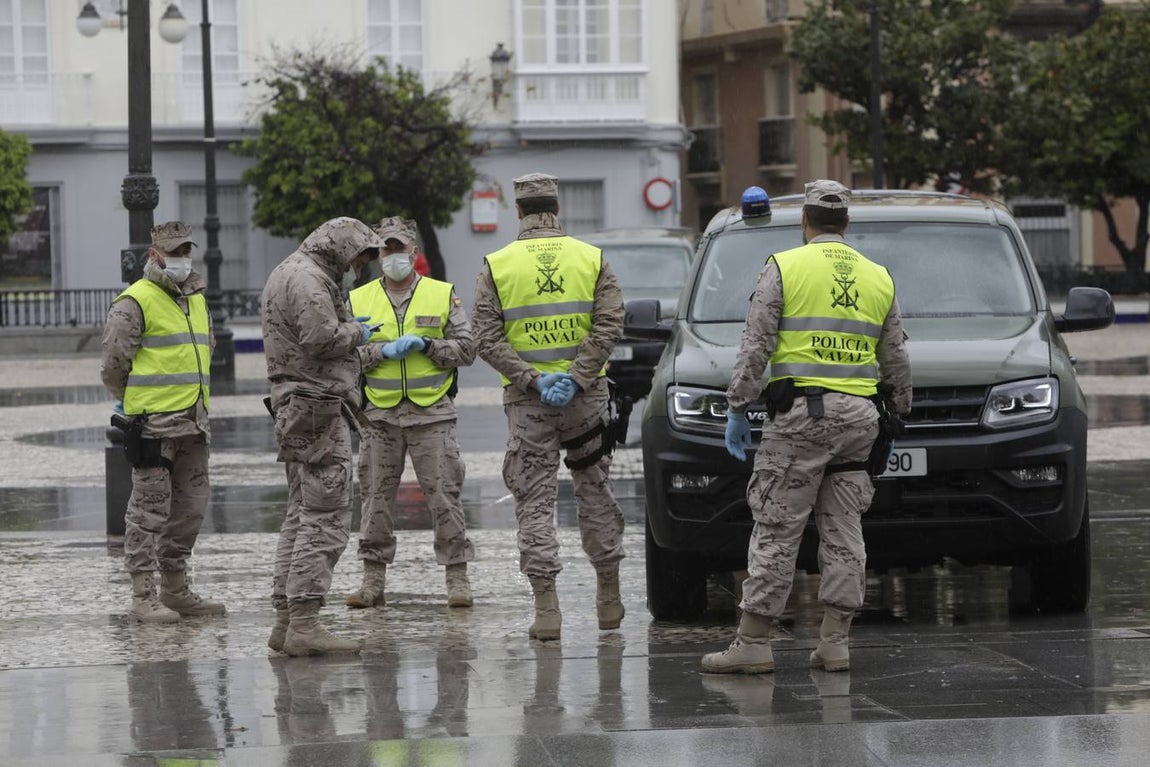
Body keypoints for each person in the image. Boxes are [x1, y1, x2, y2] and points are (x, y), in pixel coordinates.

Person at [702, 180, 912, 674]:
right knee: (843, 529)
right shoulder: (878, 276)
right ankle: (835, 642)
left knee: (778, 526)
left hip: (800, 421)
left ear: (804, 221)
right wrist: (898, 413)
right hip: (860, 421)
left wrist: (737, 407)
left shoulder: (784, 266)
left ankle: (753, 644)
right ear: (846, 224)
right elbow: (897, 356)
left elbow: (755, 345)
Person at [472, 172, 626, 641]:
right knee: (595, 492)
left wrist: (533, 379)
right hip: (586, 401)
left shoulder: (497, 265)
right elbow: (610, 322)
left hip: (528, 404)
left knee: (534, 502)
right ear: (557, 209)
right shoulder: (591, 258)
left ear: (518, 211)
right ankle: (608, 599)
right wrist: (577, 378)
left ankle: (547, 611)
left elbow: (485, 336)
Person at [261, 216, 383, 656]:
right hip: (316, 409)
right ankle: (305, 623)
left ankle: (285, 622)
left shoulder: (288, 271)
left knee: (300, 514)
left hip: (299, 406)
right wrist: (358, 332)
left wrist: (363, 348)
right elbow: (320, 338)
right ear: (340, 249)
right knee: (325, 516)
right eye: (358, 258)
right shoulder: (310, 279)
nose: (359, 268)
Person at [345, 216, 477, 609]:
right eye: (385, 249)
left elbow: (468, 348)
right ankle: (372, 581)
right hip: (379, 417)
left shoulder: (441, 294)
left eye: (399, 248)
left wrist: (428, 346)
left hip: (432, 414)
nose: (392, 256)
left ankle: (457, 578)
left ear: (413, 252)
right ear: (377, 254)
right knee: (374, 500)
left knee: (444, 497)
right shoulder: (358, 299)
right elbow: (345, 356)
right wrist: (379, 351)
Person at [100, 221, 225, 623]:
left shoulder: (197, 299)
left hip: (194, 423)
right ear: (154, 255)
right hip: (153, 426)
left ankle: (175, 589)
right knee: (148, 512)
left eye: (186, 251)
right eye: (173, 253)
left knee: (189, 510)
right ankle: (142, 595)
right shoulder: (134, 301)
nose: (181, 260)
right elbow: (113, 365)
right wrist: (133, 401)